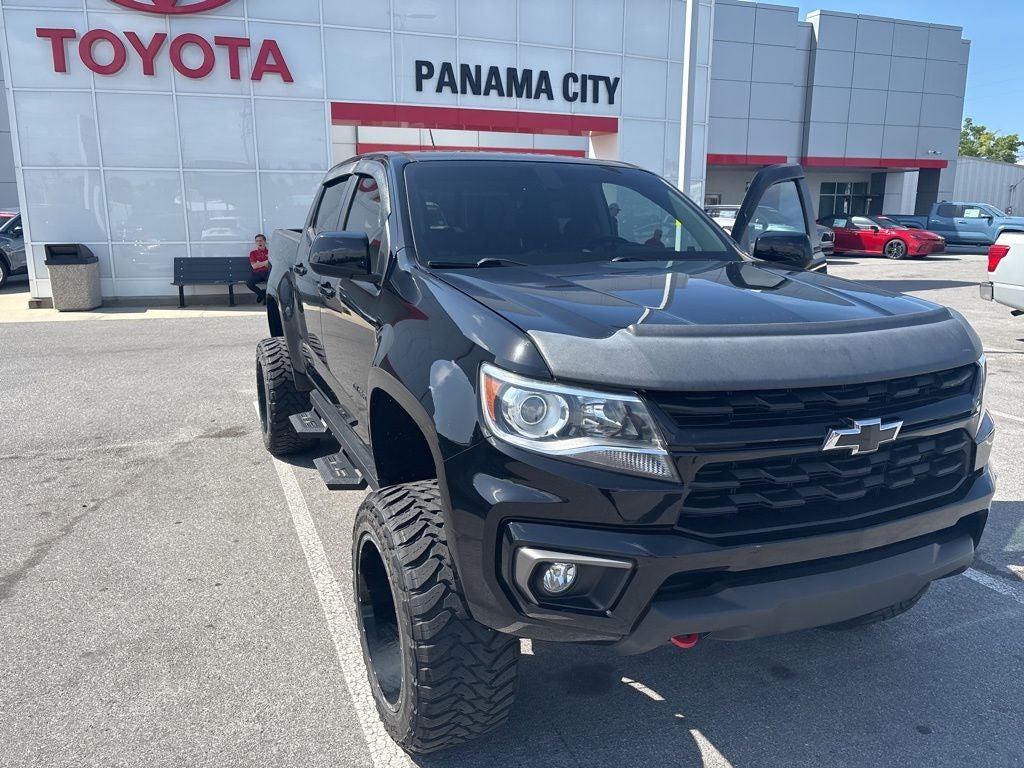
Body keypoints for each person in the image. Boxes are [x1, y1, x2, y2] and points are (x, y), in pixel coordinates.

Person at [247, 234, 270, 304]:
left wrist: (259, 263)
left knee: (271, 283)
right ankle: (262, 294)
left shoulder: (270, 252)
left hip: (267, 272)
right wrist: (266, 261)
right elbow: (254, 266)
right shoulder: (253, 253)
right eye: (257, 241)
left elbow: (270, 266)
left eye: (260, 240)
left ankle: (266, 298)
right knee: (249, 284)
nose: (259, 242)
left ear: (264, 241)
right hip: (257, 273)